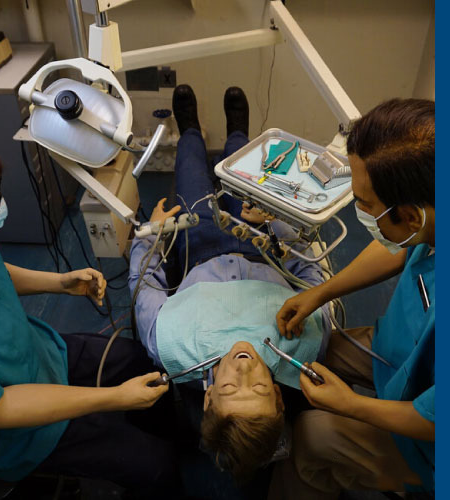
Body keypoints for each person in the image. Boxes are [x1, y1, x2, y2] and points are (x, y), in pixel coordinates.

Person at [0, 128, 177, 495]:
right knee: (154, 466)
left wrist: (60, 282)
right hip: (25, 430)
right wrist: (115, 398)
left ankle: (163, 425)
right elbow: (0, 408)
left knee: (139, 359)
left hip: (45, 353)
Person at [129, 85, 331, 481]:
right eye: (257, 390)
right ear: (278, 398)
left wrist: (153, 232)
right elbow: (311, 274)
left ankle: (189, 128)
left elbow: (144, 283)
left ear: (207, 398)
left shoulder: (171, 345)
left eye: (227, 390)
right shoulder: (307, 343)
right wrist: (275, 223)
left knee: (189, 166)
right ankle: (238, 130)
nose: (242, 372)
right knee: (244, 163)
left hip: (198, 243)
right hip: (260, 240)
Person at [270, 99, 434, 498]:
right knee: (319, 343)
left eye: (366, 205)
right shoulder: (432, 215)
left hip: (430, 439)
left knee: (312, 434)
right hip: (399, 355)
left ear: (411, 216)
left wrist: (350, 405)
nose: (359, 210)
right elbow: (397, 247)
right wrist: (319, 292)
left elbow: (435, 420)